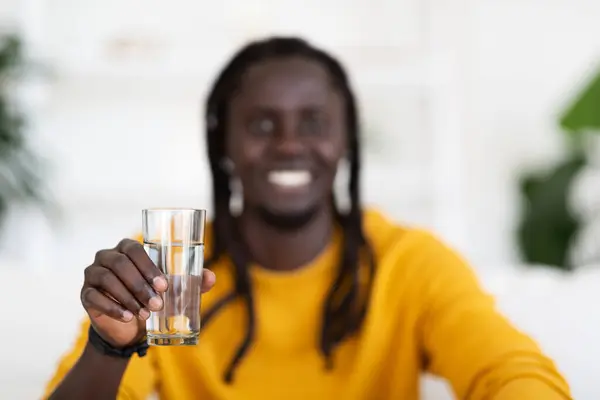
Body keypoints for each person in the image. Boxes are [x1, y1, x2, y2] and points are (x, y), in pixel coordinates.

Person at [45, 37, 571, 400]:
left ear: (345, 141)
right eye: (262, 124)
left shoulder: (409, 264)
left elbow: (512, 371)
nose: (290, 143)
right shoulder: (169, 267)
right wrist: (109, 347)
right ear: (222, 142)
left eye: (314, 122)